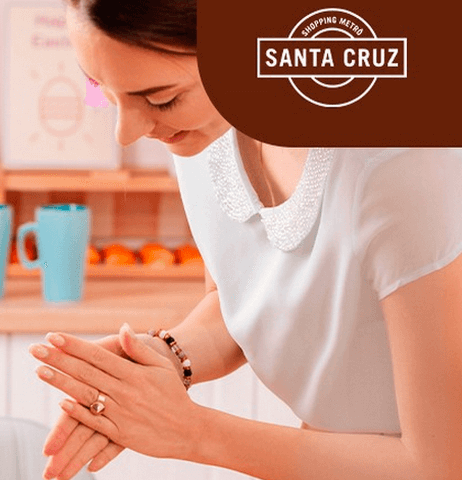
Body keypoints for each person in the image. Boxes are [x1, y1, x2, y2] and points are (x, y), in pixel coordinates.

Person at [28, 1, 462, 479]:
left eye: (160, 99)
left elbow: (437, 466)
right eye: (103, 90)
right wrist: (167, 357)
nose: (128, 132)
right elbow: (237, 301)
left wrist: (188, 431)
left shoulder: (395, 165)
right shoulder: (198, 129)